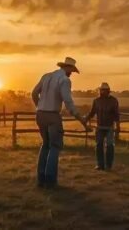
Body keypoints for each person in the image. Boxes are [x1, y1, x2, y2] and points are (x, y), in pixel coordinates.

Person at [31, 56, 88, 188]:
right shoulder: (64, 80)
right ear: (67, 68)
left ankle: (41, 179)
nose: (71, 74)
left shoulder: (46, 76)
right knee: (55, 146)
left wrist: (39, 107)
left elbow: (34, 93)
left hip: (40, 114)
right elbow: (68, 102)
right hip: (53, 115)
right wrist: (80, 118)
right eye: (72, 71)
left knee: (45, 145)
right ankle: (50, 180)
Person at [85, 82, 120, 171]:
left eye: (104, 90)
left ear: (108, 91)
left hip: (109, 127)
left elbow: (116, 115)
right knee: (99, 145)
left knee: (110, 146)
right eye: (101, 90)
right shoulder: (96, 101)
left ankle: (109, 165)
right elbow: (92, 112)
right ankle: (100, 165)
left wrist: (118, 125)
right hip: (100, 127)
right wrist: (85, 119)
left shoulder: (113, 101)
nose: (102, 91)